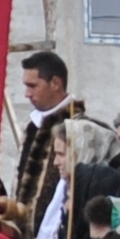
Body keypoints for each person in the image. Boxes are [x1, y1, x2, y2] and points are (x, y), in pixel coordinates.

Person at [33, 114, 120, 239]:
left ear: (82, 152)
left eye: (61, 154)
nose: (55, 162)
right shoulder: (68, 187)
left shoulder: (101, 194)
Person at [9, 50, 83, 229]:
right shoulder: (33, 124)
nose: (26, 93)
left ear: (55, 83)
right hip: (22, 233)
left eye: (32, 86)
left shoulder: (78, 127)